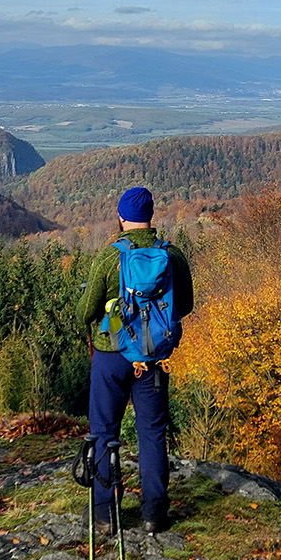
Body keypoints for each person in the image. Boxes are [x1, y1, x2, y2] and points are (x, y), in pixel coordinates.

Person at [76, 186, 193, 533]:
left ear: (121, 217)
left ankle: (104, 512)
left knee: (103, 430)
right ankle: (154, 512)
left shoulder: (108, 258)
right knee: (153, 432)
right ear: (151, 217)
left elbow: (86, 312)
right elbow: (184, 305)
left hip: (111, 355)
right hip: (153, 359)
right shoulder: (172, 256)